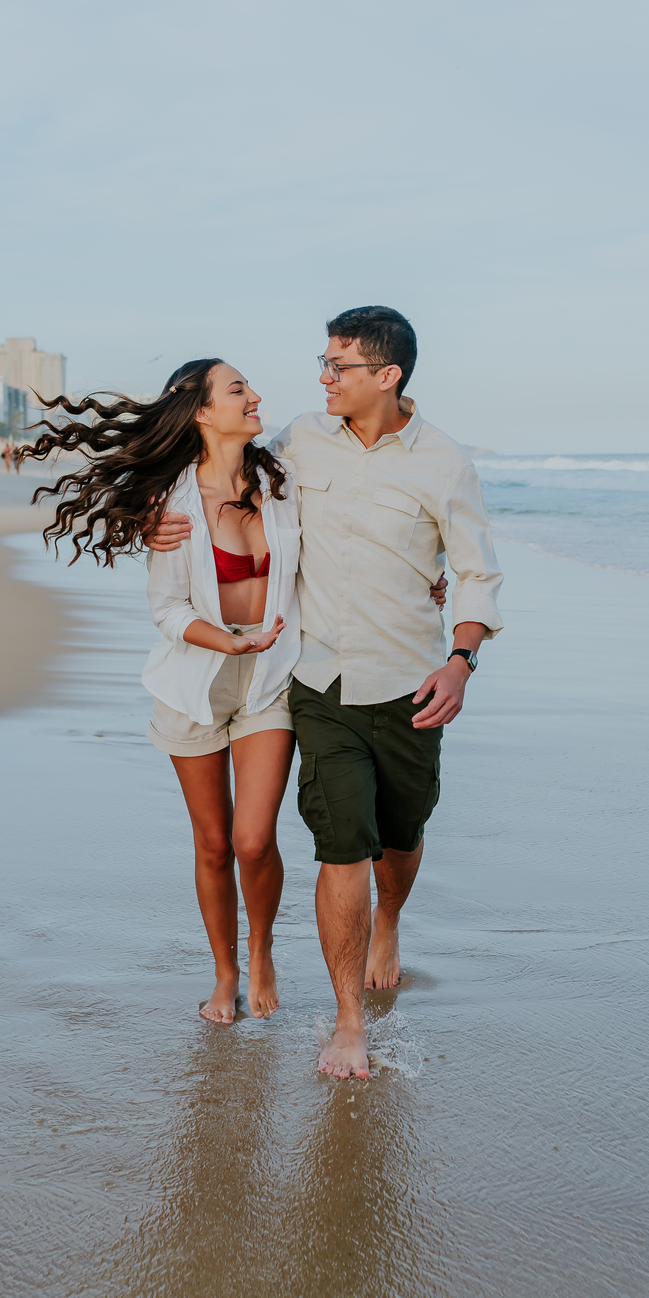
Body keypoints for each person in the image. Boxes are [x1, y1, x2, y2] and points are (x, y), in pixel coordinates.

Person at [18, 357, 449, 1027]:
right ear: (200, 412)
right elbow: (166, 610)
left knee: (253, 840)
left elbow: (359, 523)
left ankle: (262, 949)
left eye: (249, 386)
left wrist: (425, 575)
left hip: (272, 678)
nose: (254, 397)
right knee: (214, 843)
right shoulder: (174, 502)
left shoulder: (285, 477)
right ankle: (223, 971)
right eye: (238, 389)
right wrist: (225, 640)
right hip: (195, 680)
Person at [148, 307, 503, 1081]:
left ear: (388, 376)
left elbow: (475, 571)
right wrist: (148, 518)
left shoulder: (444, 463)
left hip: (411, 680)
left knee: (400, 836)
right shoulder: (300, 440)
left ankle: (390, 924)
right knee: (341, 842)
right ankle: (348, 1022)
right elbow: (218, 472)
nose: (322, 377)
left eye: (337, 366)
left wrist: (461, 660)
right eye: (323, 361)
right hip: (314, 679)